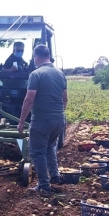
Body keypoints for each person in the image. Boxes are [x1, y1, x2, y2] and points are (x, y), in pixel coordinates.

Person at [17, 44, 67, 193]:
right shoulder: (60, 74)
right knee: (50, 147)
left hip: (41, 120)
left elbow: (29, 99)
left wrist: (21, 122)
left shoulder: (36, 74)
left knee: (37, 152)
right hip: (59, 119)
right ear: (49, 56)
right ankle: (55, 175)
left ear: (37, 57)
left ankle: (44, 185)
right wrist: (58, 114)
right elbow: (65, 99)